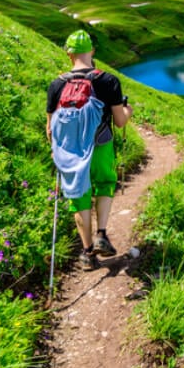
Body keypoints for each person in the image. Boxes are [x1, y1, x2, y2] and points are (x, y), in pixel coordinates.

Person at [46, 30, 133, 267]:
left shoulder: (56, 85)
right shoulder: (107, 80)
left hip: (69, 151)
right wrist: (128, 111)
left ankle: (86, 253)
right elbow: (120, 121)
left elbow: (50, 129)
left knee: (79, 196)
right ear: (92, 51)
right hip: (100, 145)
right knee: (104, 183)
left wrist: (60, 151)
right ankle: (101, 235)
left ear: (69, 53)